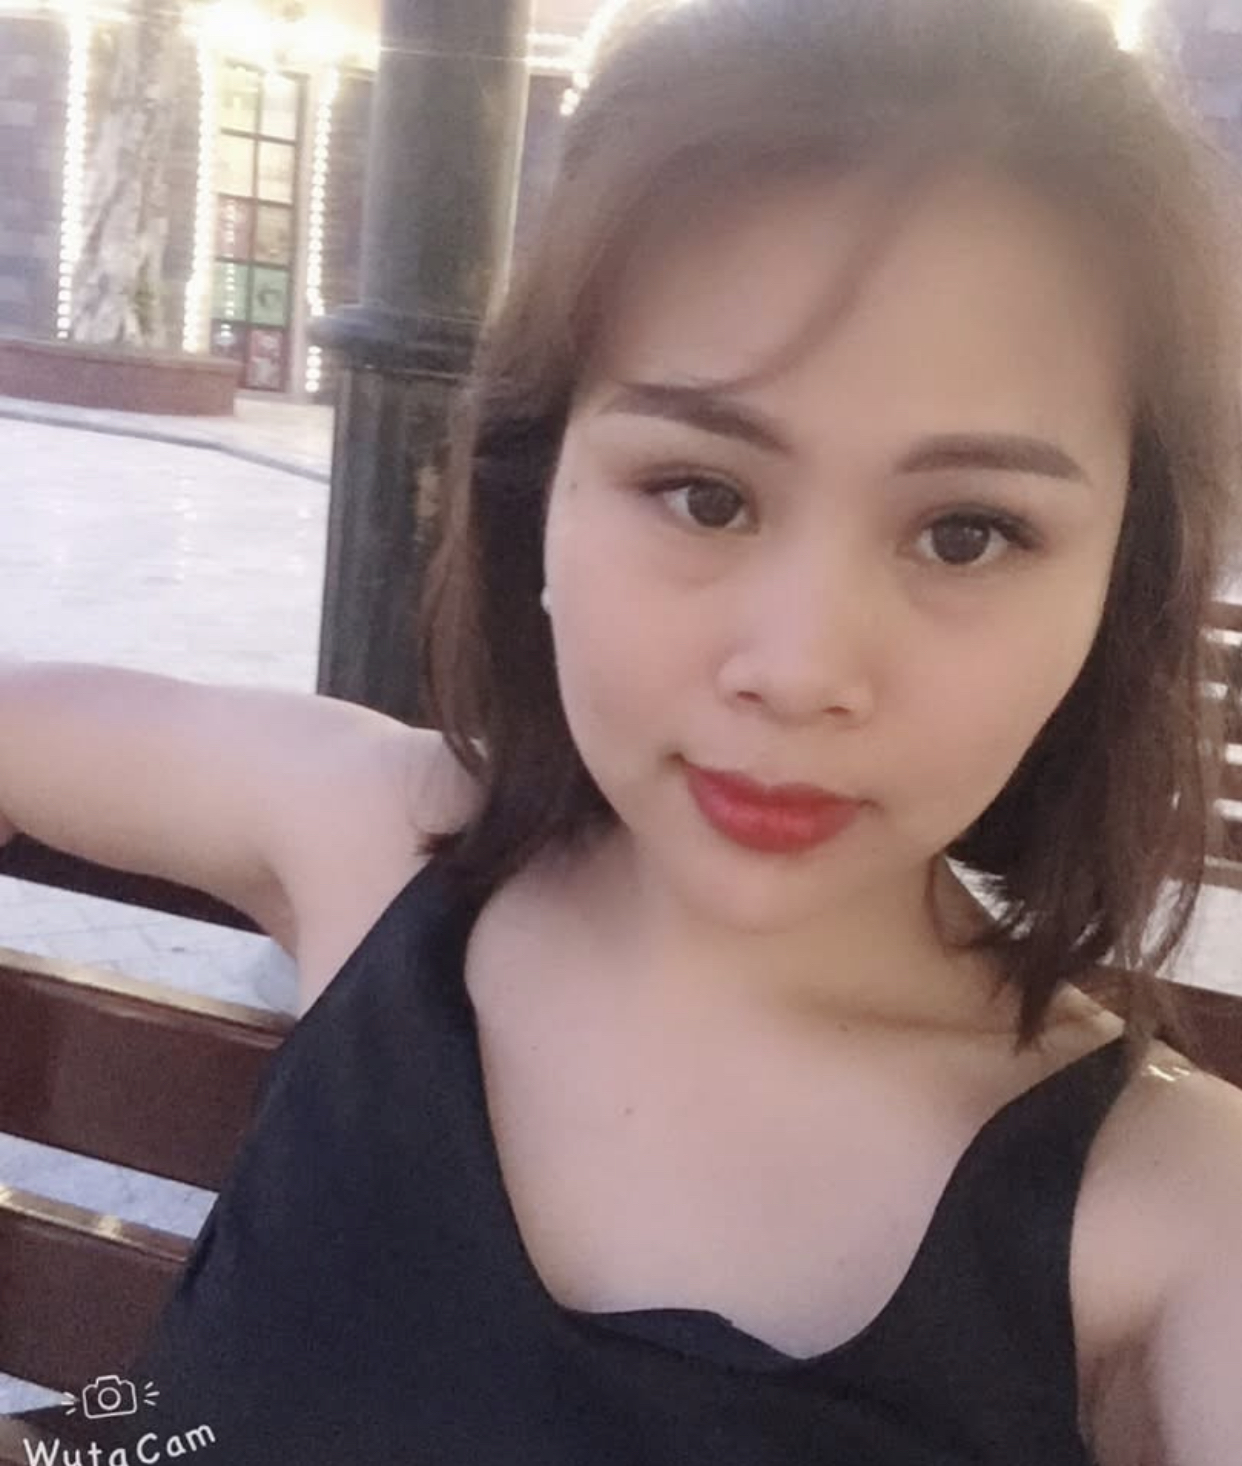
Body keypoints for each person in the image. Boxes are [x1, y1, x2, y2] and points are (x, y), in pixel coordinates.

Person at [3, 0, 1242, 1460]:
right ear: (540, 495)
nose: (798, 670)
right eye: (705, 495)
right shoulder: (376, 838)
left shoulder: (1171, 1223)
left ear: (1117, 585)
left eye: (966, 532)